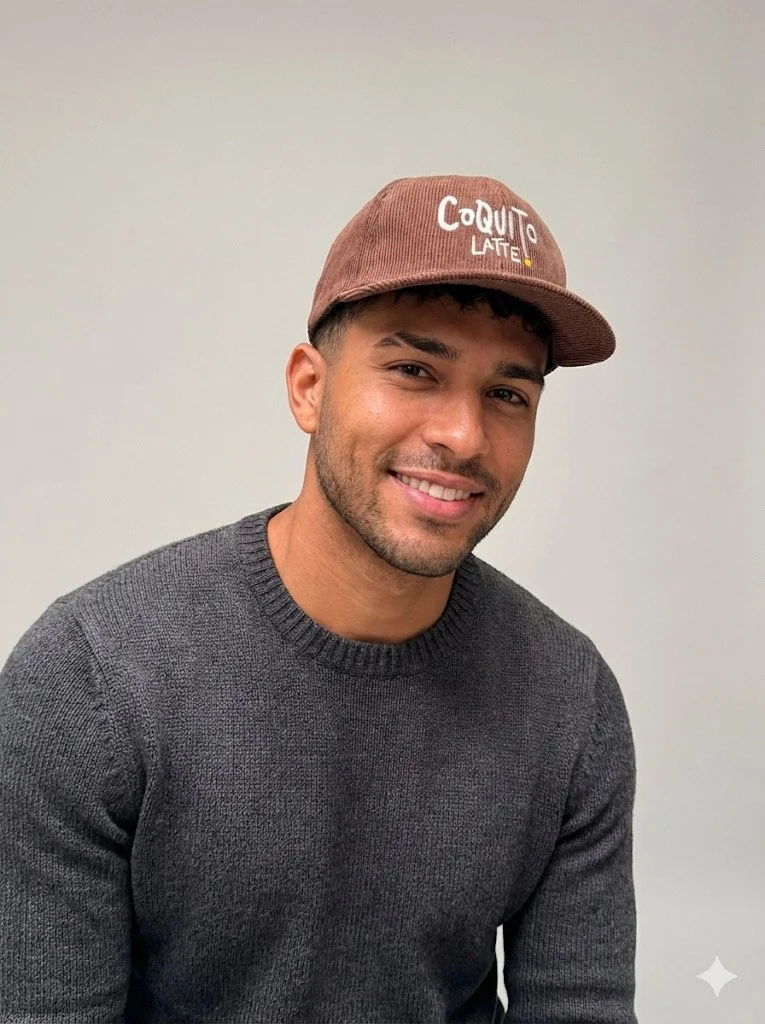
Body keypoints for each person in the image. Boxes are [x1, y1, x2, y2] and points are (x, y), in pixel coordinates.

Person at [0, 174, 638, 1023]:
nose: (461, 434)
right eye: (413, 369)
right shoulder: (89, 678)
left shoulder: (569, 699)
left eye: (507, 394)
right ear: (308, 387)